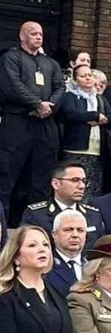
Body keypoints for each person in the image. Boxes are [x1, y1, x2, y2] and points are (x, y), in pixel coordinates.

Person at [0, 21, 65, 223]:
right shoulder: (11, 58)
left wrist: (49, 106)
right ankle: (4, 225)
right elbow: (12, 85)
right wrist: (36, 103)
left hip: (45, 125)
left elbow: (60, 87)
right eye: (33, 33)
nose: (38, 37)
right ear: (22, 36)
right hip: (18, 122)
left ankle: (35, 224)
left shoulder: (51, 64)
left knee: (41, 178)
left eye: (40, 34)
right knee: (7, 175)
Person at [57, 64, 111, 199]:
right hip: (75, 149)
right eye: (83, 76)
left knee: (93, 188)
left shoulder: (100, 98)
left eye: (90, 75)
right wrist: (94, 116)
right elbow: (70, 114)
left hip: (96, 150)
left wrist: (100, 120)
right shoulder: (69, 96)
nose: (88, 78)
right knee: (73, 186)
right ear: (75, 80)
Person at [22, 159, 105, 245]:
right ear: (56, 184)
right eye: (75, 180)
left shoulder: (93, 215)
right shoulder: (36, 216)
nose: (81, 186)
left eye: (84, 181)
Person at [46, 210, 88, 296]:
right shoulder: (46, 267)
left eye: (80, 230)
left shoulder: (93, 266)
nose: (75, 235)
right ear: (54, 234)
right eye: (68, 230)